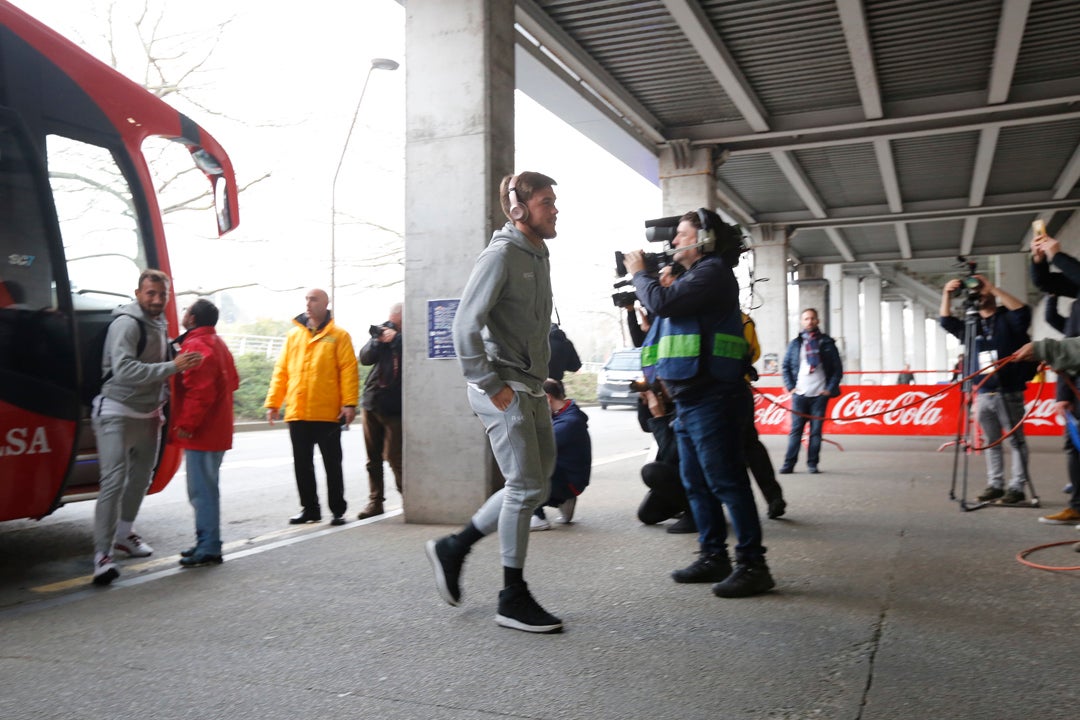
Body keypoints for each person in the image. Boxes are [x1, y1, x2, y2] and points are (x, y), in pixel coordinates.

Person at [425, 171, 565, 633]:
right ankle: (512, 596)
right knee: (525, 488)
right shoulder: (502, 255)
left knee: (535, 486)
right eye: (547, 202)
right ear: (520, 210)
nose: (555, 209)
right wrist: (490, 382)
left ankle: (455, 546)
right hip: (501, 386)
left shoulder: (537, 256)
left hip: (528, 385)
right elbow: (464, 325)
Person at [629, 208, 775, 599]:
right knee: (696, 482)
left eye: (681, 234)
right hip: (691, 399)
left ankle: (753, 565)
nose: (673, 241)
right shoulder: (695, 277)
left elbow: (662, 303)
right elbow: (660, 323)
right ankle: (714, 556)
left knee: (726, 481)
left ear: (704, 239)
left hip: (715, 397)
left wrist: (639, 273)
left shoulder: (712, 273)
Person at [90, 269, 203, 586]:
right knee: (113, 480)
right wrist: (172, 366)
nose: (155, 299)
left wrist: (175, 361)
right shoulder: (126, 323)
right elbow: (124, 370)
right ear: (138, 293)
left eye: (161, 295)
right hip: (116, 409)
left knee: (140, 478)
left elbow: (158, 357)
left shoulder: (159, 322)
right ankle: (102, 556)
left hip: (149, 413)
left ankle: (124, 534)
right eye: (150, 293)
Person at [265, 288, 358, 526]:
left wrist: (349, 404)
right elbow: (281, 371)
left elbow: (348, 370)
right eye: (306, 299)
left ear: (325, 304)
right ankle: (310, 509)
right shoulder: (293, 336)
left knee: (332, 464)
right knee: (302, 465)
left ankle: (338, 510)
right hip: (298, 412)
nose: (308, 303)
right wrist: (274, 402)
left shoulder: (339, 335)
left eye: (313, 299)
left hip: (327, 413)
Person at [939, 274, 1033, 504]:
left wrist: (993, 288)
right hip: (982, 392)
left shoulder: (1007, 319)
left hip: (1008, 390)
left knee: (1016, 441)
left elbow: (1023, 312)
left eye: (983, 292)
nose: (979, 295)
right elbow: (946, 321)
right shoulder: (971, 324)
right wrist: (946, 294)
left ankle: (1017, 487)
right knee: (991, 441)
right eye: (977, 293)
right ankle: (995, 484)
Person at [172, 299, 239, 567]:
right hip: (218, 429)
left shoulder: (195, 345)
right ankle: (206, 541)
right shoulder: (218, 343)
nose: (184, 314)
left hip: (203, 432)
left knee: (201, 491)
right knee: (207, 488)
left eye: (187, 311)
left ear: (192, 318)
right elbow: (233, 381)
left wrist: (187, 425)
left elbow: (199, 392)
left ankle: (209, 545)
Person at [1029, 233, 1080, 523]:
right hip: (1075, 380)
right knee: (1074, 446)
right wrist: (1039, 259)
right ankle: (1077, 506)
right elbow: (1046, 283)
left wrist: (1058, 255)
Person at [780, 308, 843, 474]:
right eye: (806, 318)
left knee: (816, 433)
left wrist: (829, 390)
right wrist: (791, 387)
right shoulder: (795, 344)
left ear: (818, 321)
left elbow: (837, 369)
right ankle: (789, 464)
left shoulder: (828, 343)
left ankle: (812, 464)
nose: (809, 321)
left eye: (813, 318)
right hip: (800, 394)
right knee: (796, 431)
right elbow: (785, 367)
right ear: (802, 321)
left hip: (819, 395)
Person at [356, 302, 403, 520]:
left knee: (395, 456)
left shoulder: (409, 336)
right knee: (372, 458)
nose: (391, 324)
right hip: (372, 402)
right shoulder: (381, 332)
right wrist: (377, 340)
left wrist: (396, 340)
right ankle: (375, 502)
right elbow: (365, 358)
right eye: (390, 320)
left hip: (395, 407)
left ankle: (409, 498)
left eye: (395, 321)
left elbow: (417, 355)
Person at [741, 313, 787, 519]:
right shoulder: (744, 320)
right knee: (751, 447)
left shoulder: (696, 312)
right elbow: (754, 353)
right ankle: (774, 497)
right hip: (740, 390)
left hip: (711, 395)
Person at [531, 378, 591, 530]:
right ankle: (563, 501)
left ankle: (537, 517)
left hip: (570, 483)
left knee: (525, 465)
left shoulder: (568, 423)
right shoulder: (565, 415)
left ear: (547, 398)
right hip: (570, 479)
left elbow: (536, 447)